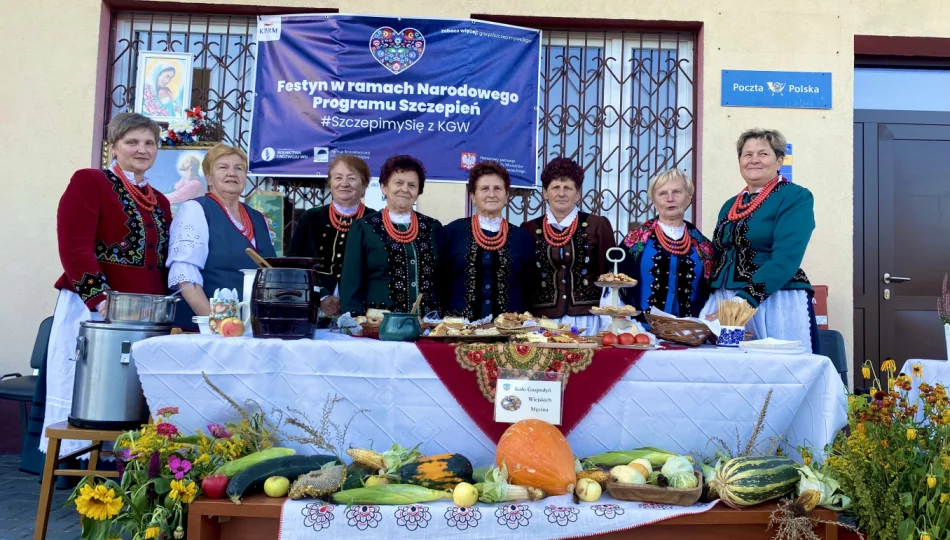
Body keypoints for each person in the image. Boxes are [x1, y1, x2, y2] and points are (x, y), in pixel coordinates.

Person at [44, 112, 172, 456]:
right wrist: (98, 299)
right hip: (98, 309)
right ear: (113, 146)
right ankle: (77, 469)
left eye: (149, 143)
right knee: (91, 394)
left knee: (134, 398)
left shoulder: (159, 200)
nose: (141, 149)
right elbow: (73, 245)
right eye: (132, 142)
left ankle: (126, 471)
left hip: (144, 313)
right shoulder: (89, 181)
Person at [698, 128, 818, 352]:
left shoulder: (795, 197)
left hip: (771, 298)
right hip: (725, 299)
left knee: (776, 370)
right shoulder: (731, 204)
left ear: (779, 161)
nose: (754, 160)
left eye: (763, 154)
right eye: (747, 154)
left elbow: (786, 257)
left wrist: (745, 300)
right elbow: (717, 254)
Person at [167, 143, 276, 329]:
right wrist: (217, 325)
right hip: (207, 331)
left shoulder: (258, 218)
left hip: (251, 329)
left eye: (239, 168)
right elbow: (184, 273)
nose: (232, 173)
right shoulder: (196, 209)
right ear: (209, 177)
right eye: (223, 167)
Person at [521, 157, 615, 334]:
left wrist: (609, 319)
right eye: (555, 187)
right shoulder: (530, 229)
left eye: (568, 188)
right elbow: (526, 279)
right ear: (545, 193)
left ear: (578, 193)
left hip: (588, 320)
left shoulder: (597, 225)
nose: (561, 193)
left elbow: (609, 276)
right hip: (543, 320)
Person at [340, 155, 441, 315]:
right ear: (384, 187)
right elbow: (350, 285)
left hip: (427, 327)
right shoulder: (364, 228)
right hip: (378, 330)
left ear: (418, 191)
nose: (405, 189)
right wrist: (354, 324)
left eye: (412, 185)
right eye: (398, 183)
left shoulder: (432, 228)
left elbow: (442, 280)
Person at [437, 161, 535, 320]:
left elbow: (529, 289)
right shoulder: (452, 233)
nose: (491, 194)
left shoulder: (522, 238)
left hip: (509, 334)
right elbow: (440, 284)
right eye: (484, 189)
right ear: (473, 197)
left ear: (506, 196)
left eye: (498, 188)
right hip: (460, 333)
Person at [618, 169, 714, 318]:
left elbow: (711, 295)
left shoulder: (704, 247)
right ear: (654, 202)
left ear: (689, 198)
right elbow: (615, 288)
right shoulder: (635, 241)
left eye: (677, 192)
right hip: (642, 332)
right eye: (662, 193)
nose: (670, 198)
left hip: (690, 333)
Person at [287, 155, 375, 318]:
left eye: (351, 178)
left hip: (363, 310)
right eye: (338, 177)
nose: (344, 183)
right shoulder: (311, 217)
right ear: (330, 183)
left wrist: (352, 301)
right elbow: (294, 261)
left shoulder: (375, 221)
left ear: (364, 185)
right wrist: (323, 295)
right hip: (314, 307)